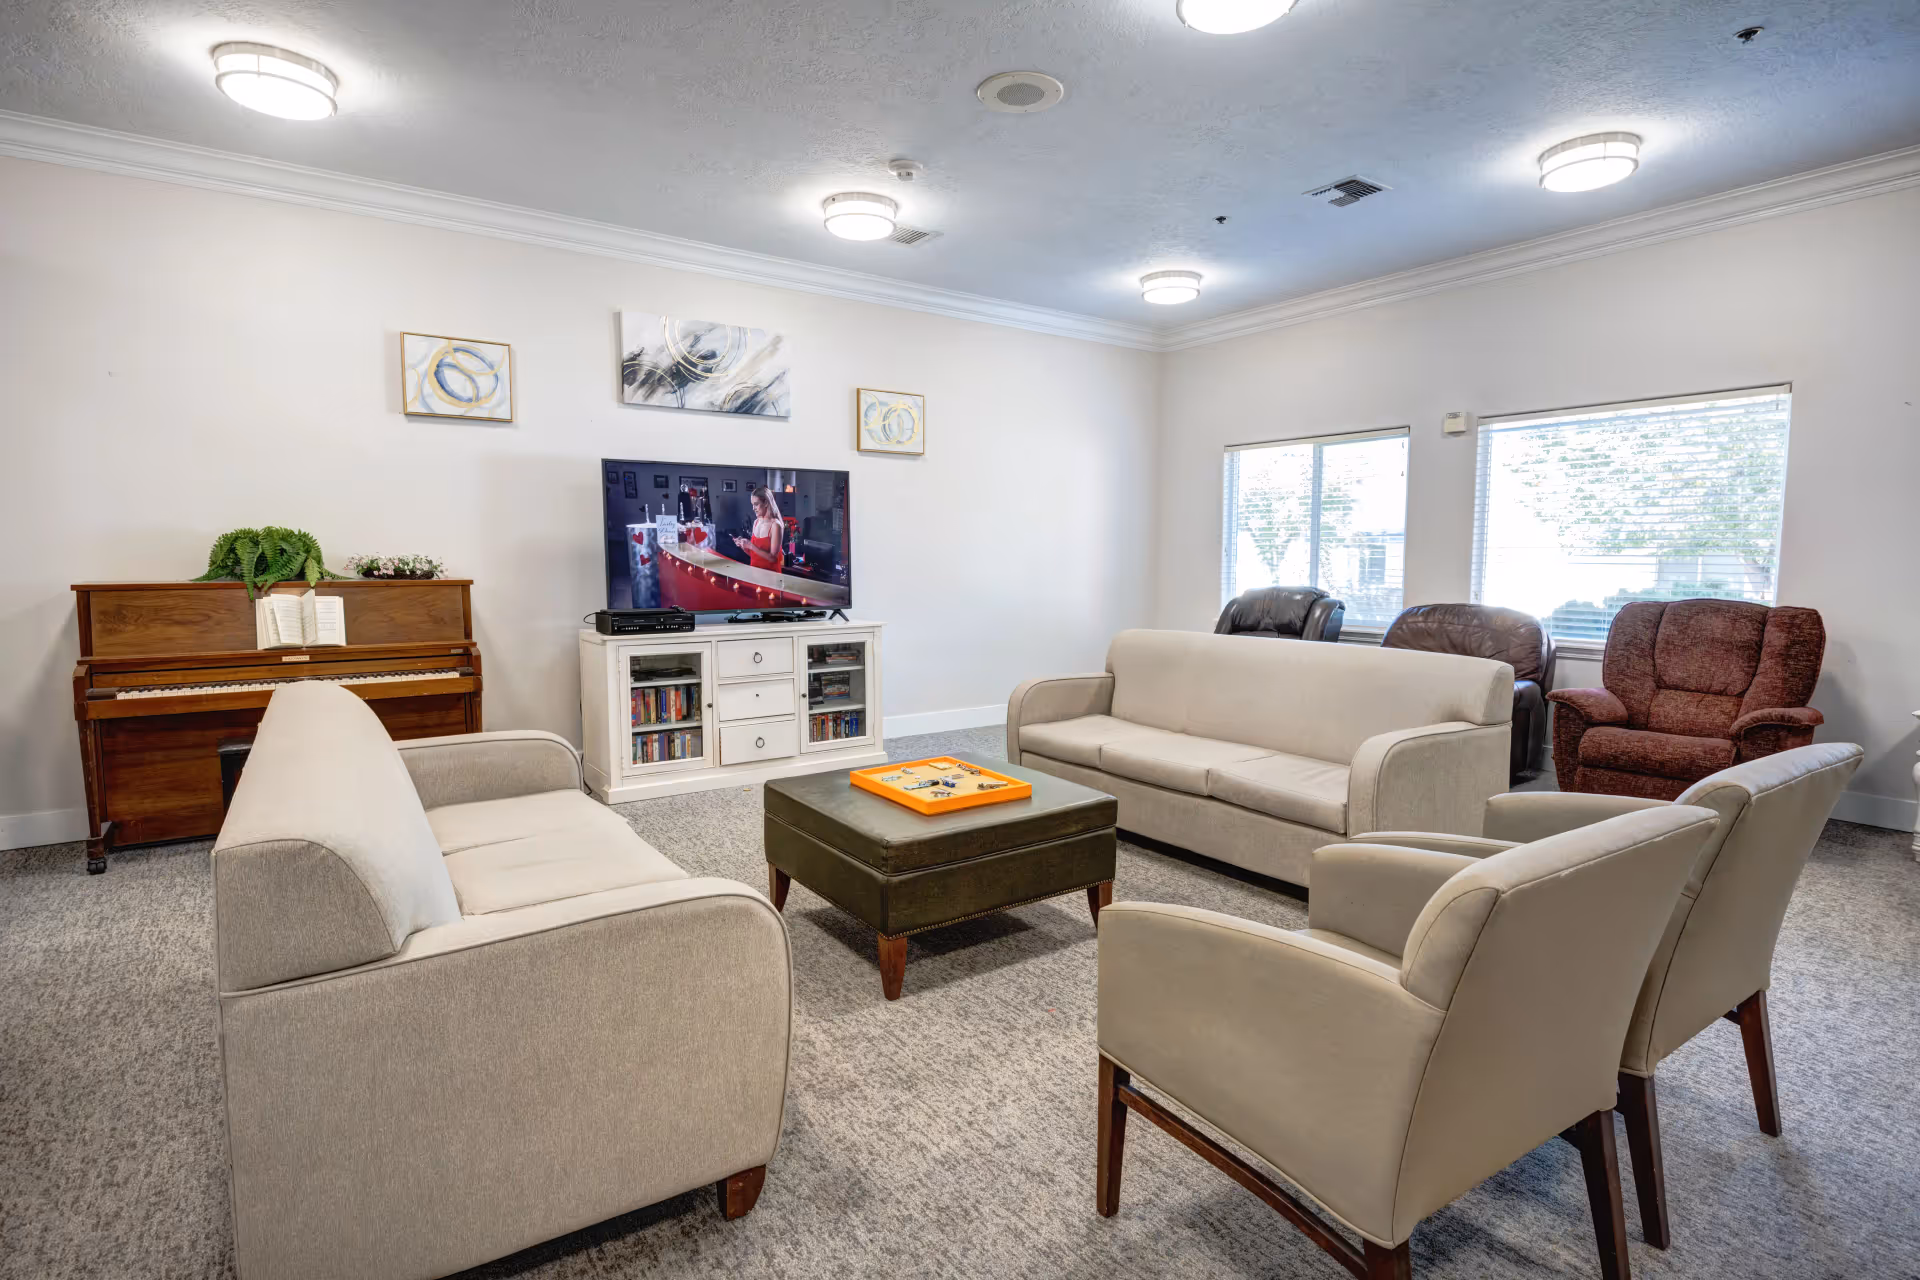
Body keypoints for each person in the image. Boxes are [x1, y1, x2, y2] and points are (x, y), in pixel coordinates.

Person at [733, 486, 786, 573]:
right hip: (755, 574)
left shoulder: (775, 525)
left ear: (766, 503)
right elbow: (755, 555)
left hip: (771, 577)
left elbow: (773, 558)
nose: (753, 508)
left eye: (756, 504)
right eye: (752, 504)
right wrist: (744, 546)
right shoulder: (756, 522)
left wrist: (751, 546)